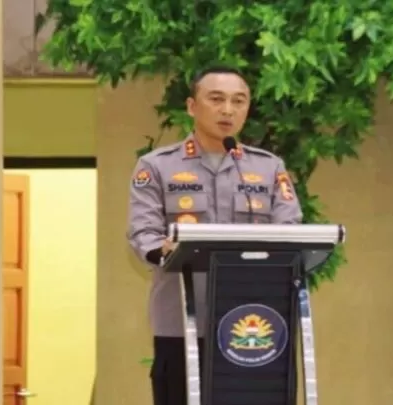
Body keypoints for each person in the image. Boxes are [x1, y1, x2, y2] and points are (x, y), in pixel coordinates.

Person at [126, 66, 303, 405]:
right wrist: (163, 249)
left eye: (239, 101)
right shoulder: (157, 166)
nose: (228, 110)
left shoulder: (268, 168)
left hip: (253, 321)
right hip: (182, 322)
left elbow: (289, 230)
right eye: (217, 99)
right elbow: (143, 232)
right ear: (192, 106)